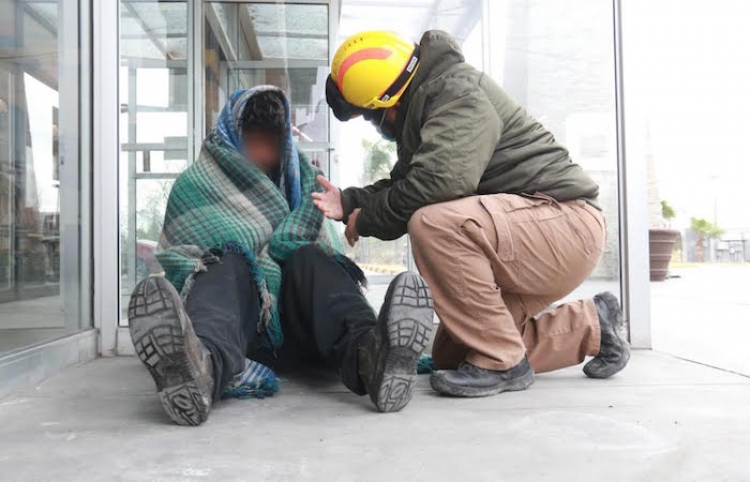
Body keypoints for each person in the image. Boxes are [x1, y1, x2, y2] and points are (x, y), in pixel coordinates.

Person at [314, 30, 630, 398]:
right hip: (532, 230)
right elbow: (407, 182)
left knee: (431, 223)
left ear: (388, 101)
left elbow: (438, 183)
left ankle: (504, 363)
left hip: (564, 223)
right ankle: (593, 324)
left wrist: (366, 220)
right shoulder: (430, 103)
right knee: (456, 352)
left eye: (370, 117)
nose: (376, 126)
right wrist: (351, 203)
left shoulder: (457, 94)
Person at [128, 86, 434, 426]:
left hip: (305, 330)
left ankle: (371, 356)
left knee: (311, 258)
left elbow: (327, 252)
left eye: (271, 141)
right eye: (253, 139)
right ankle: (200, 369)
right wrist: (243, 260)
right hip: (236, 334)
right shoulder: (194, 185)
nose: (262, 153)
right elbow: (181, 261)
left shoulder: (305, 186)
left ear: (284, 143)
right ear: (232, 135)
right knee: (226, 262)